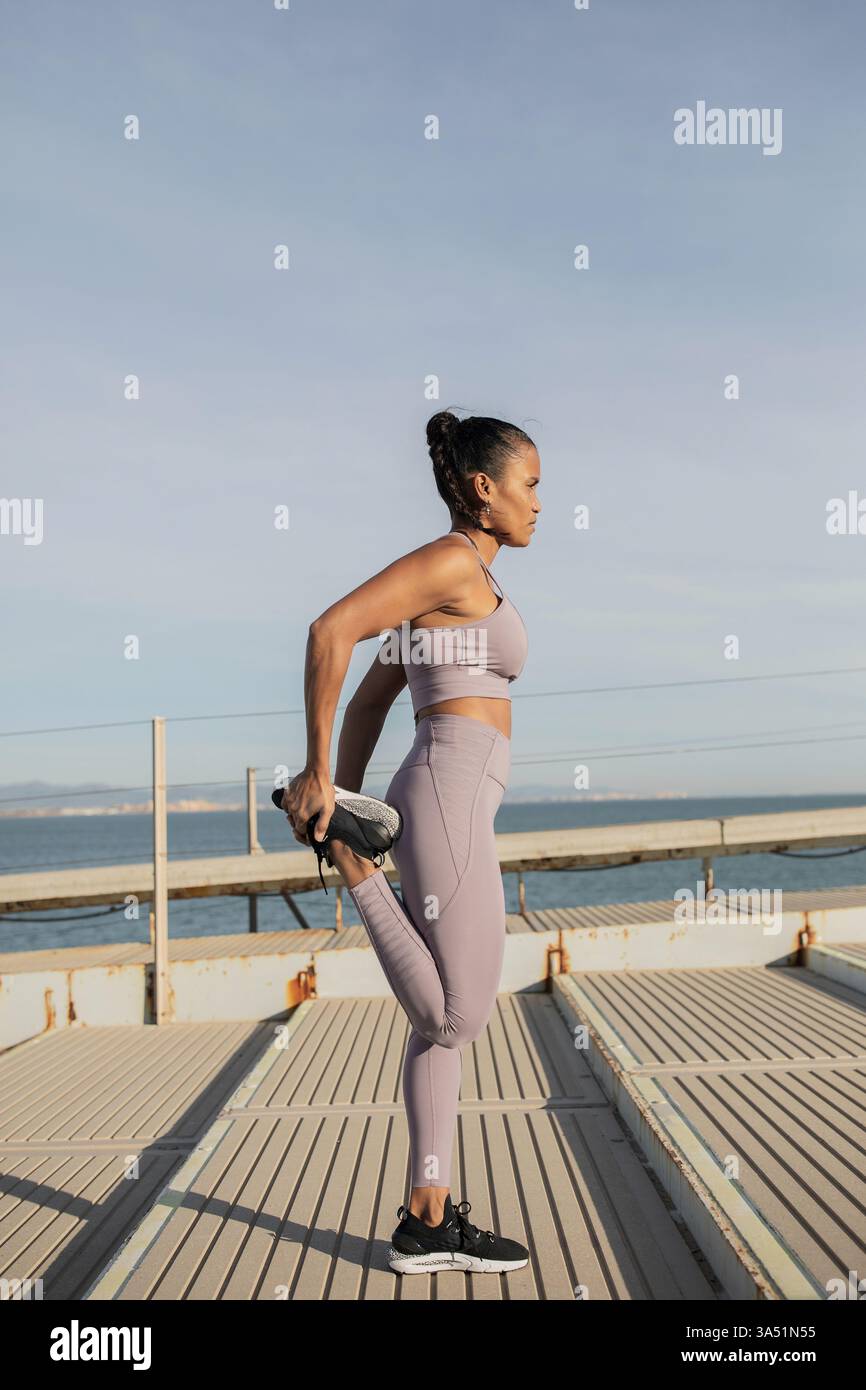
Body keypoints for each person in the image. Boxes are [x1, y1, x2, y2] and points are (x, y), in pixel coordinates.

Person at [278, 408, 541, 1273]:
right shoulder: (451, 561)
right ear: (484, 488)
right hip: (446, 795)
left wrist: (342, 794)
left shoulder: (463, 583)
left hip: (452, 797)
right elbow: (330, 631)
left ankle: (428, 1221)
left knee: (440, 1034)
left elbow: (371, 699)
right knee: (456, 1015)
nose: (540, 502)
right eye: (531, 484)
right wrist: (322, 782)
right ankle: (357, 866)